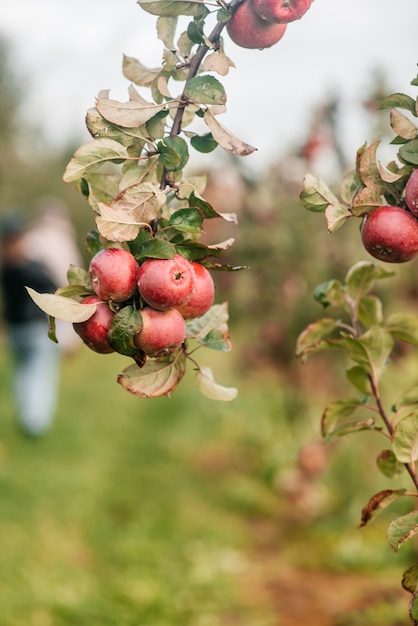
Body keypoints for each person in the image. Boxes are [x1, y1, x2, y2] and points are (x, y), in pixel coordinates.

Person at [0, 212, 61, 437]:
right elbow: (55, 287)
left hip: (16, 329)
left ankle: (27, 416)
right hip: (35, 329)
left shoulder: (5, 268)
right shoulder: (32, 267)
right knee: (41, 374)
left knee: (23, 374)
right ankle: (36, 422)